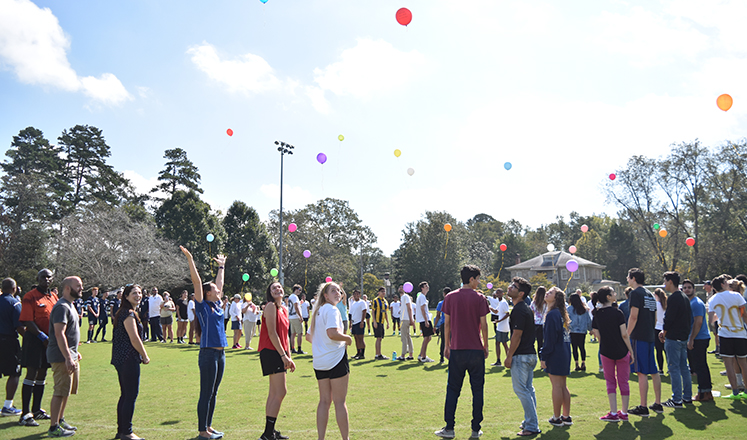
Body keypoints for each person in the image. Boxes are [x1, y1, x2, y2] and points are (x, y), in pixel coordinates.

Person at [434, 265, 489, 439]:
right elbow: (484, 324)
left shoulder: (450, 297)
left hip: (457, 350)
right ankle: (475, 429)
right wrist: (486, 345)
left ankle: (449, 428)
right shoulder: (480, 298)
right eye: (478, 279)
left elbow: (447, 324)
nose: (479, 282)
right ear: (471, 279)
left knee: (452, 390)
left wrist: (447, 345)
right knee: (477, 390)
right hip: (475, 350)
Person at [181, 246, 228, 440]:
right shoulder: (202, 305)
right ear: (207, 293)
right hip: (208, 354)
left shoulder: (216, 304)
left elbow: (219, 282)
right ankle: (202, 431)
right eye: (215, 290)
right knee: (206, 392)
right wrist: (190, 259)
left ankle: (208, 426)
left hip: (220, 353)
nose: (219, 291)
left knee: (214, 392)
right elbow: (197, 281)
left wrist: (221, 267)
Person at [306, 282, 352, 440]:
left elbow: (309, 337)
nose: (337, 293)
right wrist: (347, 338)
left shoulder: (317, 311)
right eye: (333, 291)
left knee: (324, 401)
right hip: (336, 358)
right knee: (340, 402)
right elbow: (332, 333)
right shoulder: (332, 309)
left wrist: (322, 346)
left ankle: (321, 438)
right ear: (325, 295)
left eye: (339, 291)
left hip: (320, 362)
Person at [19, 269, 58, 426]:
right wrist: (43, 337)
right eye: (43, 277)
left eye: (49, 277)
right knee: (31, 373)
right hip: (35, 340)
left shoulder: (53, 297)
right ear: (38, 278)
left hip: (48, 342)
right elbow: (28, 320)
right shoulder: (30, 296)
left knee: (42, 375)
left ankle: (36, 410)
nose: (46, 279)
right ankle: (25, 413)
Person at [257, 281, 295, 440]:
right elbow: (272, 333)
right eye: (274, 288)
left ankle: (269, 432)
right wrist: (283, 355)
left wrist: (289, 356)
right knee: (280, 392)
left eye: (279, 287)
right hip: (271, 351)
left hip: (279, 352)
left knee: (274, 392)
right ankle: (268, 433)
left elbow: (285, 335)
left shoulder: (284, 309)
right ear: (270, 293)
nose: (277, 289)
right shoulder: (270, 306)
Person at [46, 276, 83, 437]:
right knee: (59, 391)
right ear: (68, 288)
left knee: (66, 391)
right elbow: (59, 333)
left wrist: (75, 352)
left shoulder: (70, 305)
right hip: (61, 357)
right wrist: (68, 357)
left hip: (70, 354)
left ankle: (60, 420)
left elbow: (70, 333)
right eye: (78, 286)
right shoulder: (61, 307)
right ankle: (53, 428)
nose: (81, 288)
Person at [111, 284, 149, 440]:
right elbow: (134, 338)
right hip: (127, 358)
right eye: (134, 293)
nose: (138, 295)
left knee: (125, 394)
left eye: (139, 293)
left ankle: (122, 431)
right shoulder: (128, 314)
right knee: (130, 395)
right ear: (126, 296)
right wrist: (145, 355)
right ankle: (127, 432)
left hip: (121, 359)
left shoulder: (127, 312)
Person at [592, 286, 635, 422]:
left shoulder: (597, 314)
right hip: (621, 351)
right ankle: (624, 412)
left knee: (610, 382)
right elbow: (624, 334)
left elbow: (596, 333)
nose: (616, 294)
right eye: (613, 292)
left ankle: (613, 412)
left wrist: (604, 343)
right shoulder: (618, 313)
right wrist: (631, 351)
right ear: (608, 297)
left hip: (606, 351)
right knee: (624, 382)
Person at [505, 277, 539, 436]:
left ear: (521, 293)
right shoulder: (525, 308)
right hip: (530, 354)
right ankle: (529, 420)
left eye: (514, 286)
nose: (510, 287)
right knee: (528, 390)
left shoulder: (519, 310)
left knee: (521, 390)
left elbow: (516, 335)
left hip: (522, 356)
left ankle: (531, 425)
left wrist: (509, 356)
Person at [626, 268, 663, 417]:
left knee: (641, 372)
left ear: (633, 278)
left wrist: (626, 335)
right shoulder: (649, 294)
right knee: (653, 370)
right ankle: (658, 403)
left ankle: (643, 406)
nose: (627, 279)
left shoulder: (635, 293)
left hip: (639, 336)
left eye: (628, 277)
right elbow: (654, 318)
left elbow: (633, 316)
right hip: (649, 335)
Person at [708, 274, 747, 399]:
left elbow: (711, 319)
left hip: (725, 334)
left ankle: (735, 392)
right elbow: (744, 314)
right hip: (740, 333)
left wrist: (719, 322)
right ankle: (746, 391)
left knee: (729, 364)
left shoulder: (713, 299)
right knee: (743, 363)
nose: (728, 283)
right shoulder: (736, 295)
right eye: (726, 282)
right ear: (722, 284)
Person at [540, 287, 572, 427]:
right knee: (563, 386)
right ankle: (566, 416)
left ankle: (557, 417)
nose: (547, 293)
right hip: (564, 352)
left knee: (557, 386)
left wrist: (543, 356)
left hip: (556, 353)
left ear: (556, 298)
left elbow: (550, 339)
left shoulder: (553, 314)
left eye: (551, 292)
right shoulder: (559, 313)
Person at [660, 271, 692, 408]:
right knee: (684, 368)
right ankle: (687, 397)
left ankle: (677, 399)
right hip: (683, 337)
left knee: (674, 368)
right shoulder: (684, 297)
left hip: (674, 338)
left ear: (671, 282)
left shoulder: (674, 298)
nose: (664, 284)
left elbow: (669, 319)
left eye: (665, 281)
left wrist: (664, 333)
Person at [682, 279, 712, 402]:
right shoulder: (688, 302)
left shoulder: (696, 303)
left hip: (699, 338)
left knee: (700, 366)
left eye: (689, 287)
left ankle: (704, 393)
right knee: (697, 367)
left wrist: (691, 339)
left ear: (694, 289)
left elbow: (698, 322)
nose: (687, 289)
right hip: (695, 338)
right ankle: (704, 391)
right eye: (685, 288)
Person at [1, 278, 24, 417]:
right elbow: (19, 327)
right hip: (8, 341)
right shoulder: (14, 303)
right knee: (14, 373)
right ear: (14, 288)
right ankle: (8, 406)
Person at [568, 293, 591, 372]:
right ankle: (583, 363)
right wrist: (590, 329)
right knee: (582, 347)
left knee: (574, 347)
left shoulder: (569, 309)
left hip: (573, 330)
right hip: (582, 330)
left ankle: (576, 363)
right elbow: (588, 320)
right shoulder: (584, 309)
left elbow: (566, 320)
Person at [416, 281, 435, 363]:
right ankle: (423, 357)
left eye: (427, 286)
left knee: (428, 337)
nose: (427, 287)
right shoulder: (422, 297)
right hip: (424, 319)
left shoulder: (421, 296)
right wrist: (426, 321)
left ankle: (421, 354)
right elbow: (423, 309)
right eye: (425, 286)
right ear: (422, 288)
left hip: (424, 319)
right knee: (427, 338)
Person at [370, 287, 390, 360]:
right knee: (378, 338)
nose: (383, 293)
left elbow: (385, 312)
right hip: (377, 322)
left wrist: (387, 322)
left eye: (384, 291)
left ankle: (379, 354)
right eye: (382, 291)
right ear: (378, 292)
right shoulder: (375, 300)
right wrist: (374, 321)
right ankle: (377, 354)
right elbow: (373, 311)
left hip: (382, 322)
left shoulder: (385, 301)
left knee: (380, 338)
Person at [492, 288, 510, 367]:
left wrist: (499, 321)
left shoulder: (504, 302)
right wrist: (490, 307)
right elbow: (496, 311)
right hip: (500, 326)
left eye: (499, 293)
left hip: (503, 326)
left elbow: (507, 313)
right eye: (497, 293)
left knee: (503, 343)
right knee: (499, 343)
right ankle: (499, 360)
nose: (498, 294)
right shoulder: (500, 302)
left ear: (503, 294)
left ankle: (508, 359)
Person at [349, 290, 368, 360]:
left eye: (357, 294)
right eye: (354, 294)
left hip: (359, 322)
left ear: (359, 295)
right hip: (354, 322)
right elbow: (351, 314)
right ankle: (358, 352)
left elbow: (364, 311)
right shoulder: (353, 303)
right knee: (356, 338)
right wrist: (350, 323)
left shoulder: (362, 302)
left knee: (361, 338)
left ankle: (362, 354)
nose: (355, 295)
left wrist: (362, 321)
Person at [652, 288, 667, 375]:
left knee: (659, 350)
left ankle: (660, 369)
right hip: (665, 328)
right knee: (666, 350)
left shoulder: (656, 304)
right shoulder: (665, 304)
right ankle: (670, 367)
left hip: (657, 328)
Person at [398, 286, 416, 361]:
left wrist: (411, 319)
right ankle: (410, 354)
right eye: (400, 287)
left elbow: (409, 307)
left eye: (402, 287)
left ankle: (403, 355)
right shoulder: (403, 297)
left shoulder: (405, 296)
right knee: (408, 337)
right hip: (404, 318)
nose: (400, 288)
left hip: (405, 319)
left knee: (404, 337)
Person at [530, 286, 547, 358]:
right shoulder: (547, 303)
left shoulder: (534, 303)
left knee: (538, 343)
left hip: (536, 324)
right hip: (545, 324)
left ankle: (540, 359)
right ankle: (545, 358)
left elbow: (531, 313)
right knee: (545, 342)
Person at [288, 285, 305, 354]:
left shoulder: (290, 296)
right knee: (300, 333)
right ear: (295, 289)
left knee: (293, 334)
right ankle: (299, 349)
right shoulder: (295, 297)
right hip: (295, 316)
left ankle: (293, 348)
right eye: (299, 289)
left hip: (291, 317)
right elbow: (296, 307)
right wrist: (300, 316)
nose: (300, 291)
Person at [434, 287, 450, 364]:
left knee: (443, 341)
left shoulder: (441, 303)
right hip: (452, 323)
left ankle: (441, 358)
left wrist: (435, 326)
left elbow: (438, 315)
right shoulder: (453, 302)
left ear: (444, 294)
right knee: (452, 340)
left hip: (444, 323)